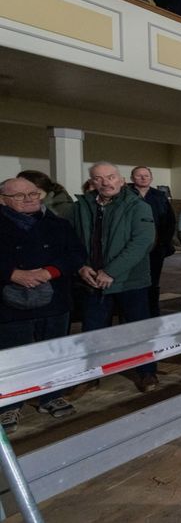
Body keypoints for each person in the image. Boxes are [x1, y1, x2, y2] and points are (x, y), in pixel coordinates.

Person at [0, 177, 86, 433]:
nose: (29, 199)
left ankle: (51, 395)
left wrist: (51, 271)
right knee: (15, 354)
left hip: (53, 300)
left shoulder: (58, 224)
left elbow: (76, 254)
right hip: (9, 303)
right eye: (19, 196)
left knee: (54, 350)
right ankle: (10, 404)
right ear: (3, 200)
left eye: (33, 193)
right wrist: (12, 274)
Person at [71, 162, 158, 393]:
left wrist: (111, 271)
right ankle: (91, 374)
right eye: (99, 178)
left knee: (137, 329)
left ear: (120, 179)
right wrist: (81, 267)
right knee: (93, 331)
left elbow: (142, 242)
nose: (106, 182)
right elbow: (72, 241)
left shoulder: (136, 206)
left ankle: (147, 372)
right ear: (92, 182)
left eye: (110, 177)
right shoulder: (82, 206)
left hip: (129, 280)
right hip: (92, 280)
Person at [129, 166, 175, 316]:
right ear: (132, 178)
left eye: (146, 175)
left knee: (153, 280)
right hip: (131, 246)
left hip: (156, 247)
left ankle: (152, 310)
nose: (143, 178)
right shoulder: (125, 194)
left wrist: (164, 244)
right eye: (139, 175)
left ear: (151, 178)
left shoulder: (159, 196)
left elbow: (169, 221)